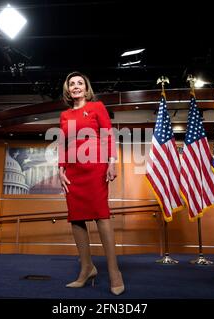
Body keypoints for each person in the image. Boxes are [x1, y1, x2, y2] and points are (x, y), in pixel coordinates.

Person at [58, 71, 125, 296]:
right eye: (72, 84)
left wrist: (112, 162)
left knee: (101, 214)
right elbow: (63, 143)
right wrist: (60, 169)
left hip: (95, 165)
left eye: (80, 83)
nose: (76, 86)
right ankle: (86, 268)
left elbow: (107, 134)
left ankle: (114, 271)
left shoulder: (97, 107)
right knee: (76, 217)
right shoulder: (65, 115)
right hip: (73, 170)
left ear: (86, 89)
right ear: (68, 90)